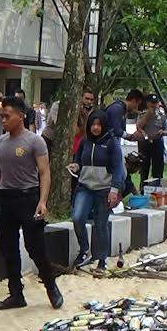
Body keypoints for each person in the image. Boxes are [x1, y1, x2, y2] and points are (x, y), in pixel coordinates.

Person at [0, 96, 62, 311]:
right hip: (6, 200)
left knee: (35, 247)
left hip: (28, 199)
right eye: (1, 116)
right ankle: (16, 294)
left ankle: (51, 286)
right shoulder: (1, 141)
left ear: (20, 116)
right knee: (7, 247)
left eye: (7, 116)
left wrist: (42, 201)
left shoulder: (35, 141)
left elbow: (44, 173)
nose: (3, 120)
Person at [68, 110, 126, 270]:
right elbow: (79, 160)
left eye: (99, 124)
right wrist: (76, 166)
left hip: (104, 190)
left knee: (101, 224)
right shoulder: (84, 141)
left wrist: (114, 190)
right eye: (93, 124)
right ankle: (84, 250)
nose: (95, 127)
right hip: (85, 187)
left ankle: (102, 260)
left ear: (104, 125)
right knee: (77, 217)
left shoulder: (112, 143)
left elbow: (118, 169)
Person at [136, 94, 167, 183]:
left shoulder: (161, 115)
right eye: (152, 103)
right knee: (144, 167)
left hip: (157, 142)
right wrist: (147, 116)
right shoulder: (142, 114)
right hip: (145, 142)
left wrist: (162, 132)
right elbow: (138, 127)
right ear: (147, 103)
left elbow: (166, 131)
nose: (154, 105)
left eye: (156, 103)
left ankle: (157, 186)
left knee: (158, 168)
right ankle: (143, 187)